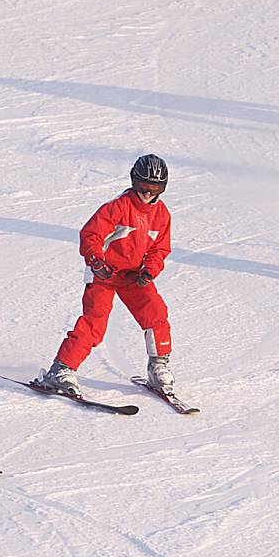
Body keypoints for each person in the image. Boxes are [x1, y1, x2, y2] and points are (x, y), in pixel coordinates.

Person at [37, 154, 174, 397]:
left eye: (155, 188)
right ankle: (61, 369)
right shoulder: (117, 207)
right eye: (143, 186)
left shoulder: (162, 215)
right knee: (95, 322)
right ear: (134, 181)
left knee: (156, 314)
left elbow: (160, 249)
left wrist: (149, 270)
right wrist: (96, 261)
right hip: (105, 274)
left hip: (134, 276)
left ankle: (158, 366)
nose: (148, 193)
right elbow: (91, 235)